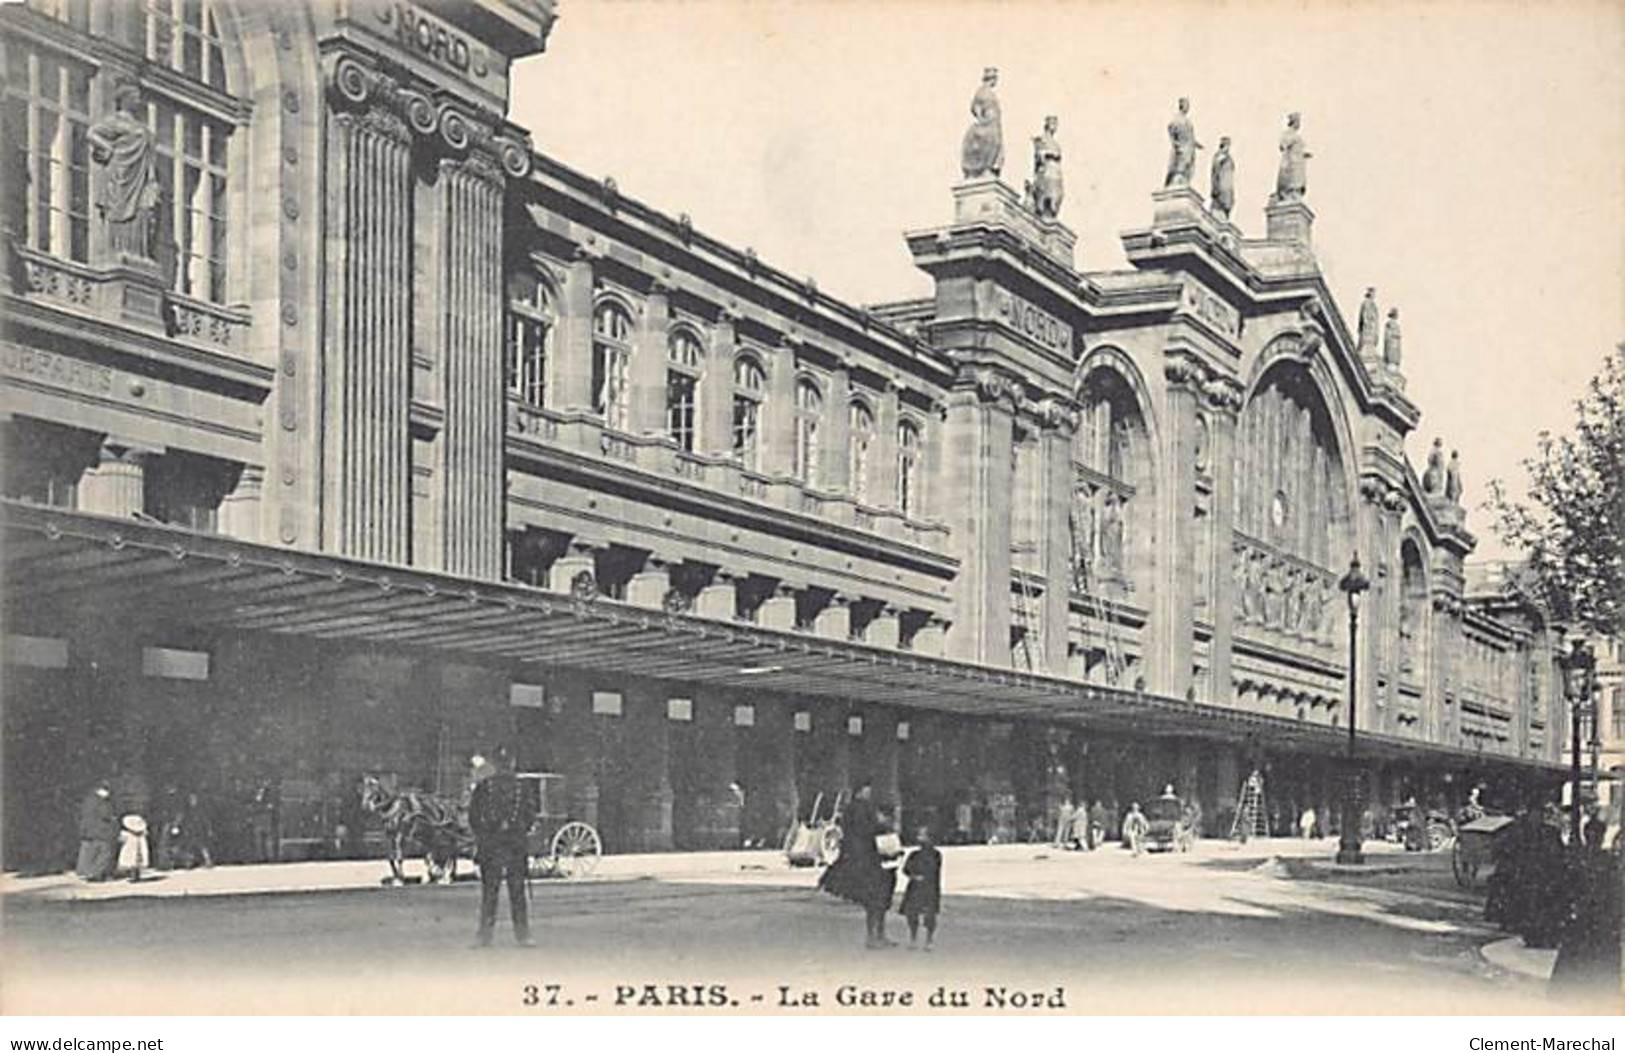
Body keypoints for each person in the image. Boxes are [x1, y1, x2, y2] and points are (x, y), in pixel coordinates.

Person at [818, 782, 898, 949]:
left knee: (875, 901)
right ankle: (876, 936)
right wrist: (882, 823)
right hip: (870, 860)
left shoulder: (853, 810)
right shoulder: (862, 809)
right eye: (867, 789)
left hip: (864, 859)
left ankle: (876, 936)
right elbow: (869, 831)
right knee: (877, 899)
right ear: (860, 791)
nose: (869, 792)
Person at [468, 745, 532, 947]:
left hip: (492, 845)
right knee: (517, 892)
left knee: (490, 893)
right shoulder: (523, 788)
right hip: (514, 845)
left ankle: (484, 936)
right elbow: (530, 816)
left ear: (494, 764)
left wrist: (486, 834)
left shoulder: (484, 787)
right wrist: (517, 830)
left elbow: (474, 818)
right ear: (512, 763)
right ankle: (522, 936)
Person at [899, 826, 942, 950]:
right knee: (911, 914)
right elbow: (905, 869)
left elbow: (933, 870)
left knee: (930, 915)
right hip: (914, 887)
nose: (920, 839)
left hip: (929, 888)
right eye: (919, 835)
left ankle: (929, 939)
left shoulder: (936, 855)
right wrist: (913, 875)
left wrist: (920, 876)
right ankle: (913, 937)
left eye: (923, 836)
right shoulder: (914, 854)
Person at [76, 784, 117, 881]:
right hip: (101, 831)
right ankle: (96, 874)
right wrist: (113, 818)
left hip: (88, 831)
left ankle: (85, 872)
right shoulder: (102, 802)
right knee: (104, 852)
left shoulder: (88, 800)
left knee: (89, 852)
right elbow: (106, 814)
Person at [117, 814, 150, 882]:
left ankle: (135, 876)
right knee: (134, 862)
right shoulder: (140, 834)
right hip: (133, 849)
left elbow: (120, 840)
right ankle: (135, 876)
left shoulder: (127, 833)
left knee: (134, 862)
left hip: (133, 849)